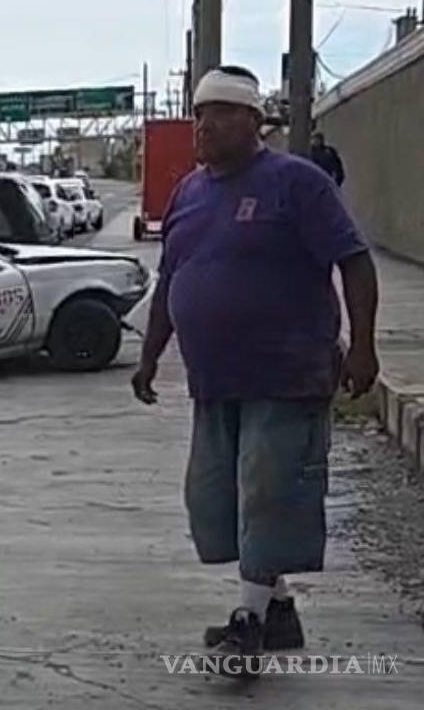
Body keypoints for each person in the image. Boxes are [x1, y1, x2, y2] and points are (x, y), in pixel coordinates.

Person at [130, 66, 380, 676]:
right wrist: (150, 353)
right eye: (198, 114)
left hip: (288, 370)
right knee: (216, 505)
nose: (203, 126)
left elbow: (353, 260)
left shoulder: (297, 183)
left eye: (218, 113)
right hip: (215, 378)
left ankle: (249, 621)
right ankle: (279, 607)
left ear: (253, 121)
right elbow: (171, 280)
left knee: (268, 493)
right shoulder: (189, 192)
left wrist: (365, 346)